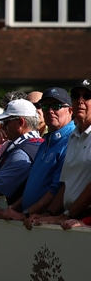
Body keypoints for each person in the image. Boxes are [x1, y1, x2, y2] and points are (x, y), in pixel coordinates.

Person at [28, 80, 91, 230]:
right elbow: (65, 184)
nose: (80, 101)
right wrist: (48, 213)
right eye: (76, 96)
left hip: (84, 219)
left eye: (87, 96)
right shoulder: (73, 136)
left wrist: (67, 215)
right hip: (72, 218)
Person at [17, 89, 75, 226]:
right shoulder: (47, 141)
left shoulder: (72, 140)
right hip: (32, 220)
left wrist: (25, 213)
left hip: (49, 223)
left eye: (56, 106)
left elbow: (56, 189)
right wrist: (14, 208)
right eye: (45, 106)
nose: (50, 111)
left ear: (70, 111)